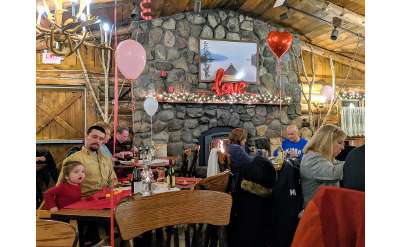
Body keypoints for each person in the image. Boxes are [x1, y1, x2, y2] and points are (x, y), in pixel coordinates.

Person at [57, 125, 117, 196]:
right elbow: (60, 188)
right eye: (94, 137)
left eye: (101, 139)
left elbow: (113, 180)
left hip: (106, 198)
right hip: (84, 201)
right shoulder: (73, 159)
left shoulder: (106, 159)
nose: (97, 141)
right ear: (86, 136)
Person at [300, 124, 346, 208]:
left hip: (326, 207)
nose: (343, 147)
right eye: (339, 143)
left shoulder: (325, 157)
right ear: (326, 142)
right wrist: (355, 163)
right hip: (317, 212)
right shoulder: (312, 158)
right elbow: (333, 173)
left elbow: (338, 164)